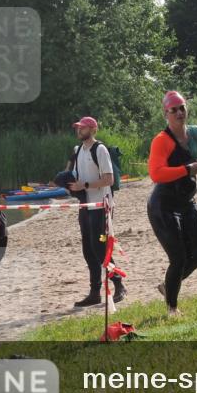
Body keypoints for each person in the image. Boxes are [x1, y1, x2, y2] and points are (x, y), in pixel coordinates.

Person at [147, 91, 197, 317]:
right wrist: (186, 169)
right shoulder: (161, 140)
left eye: (182, 108)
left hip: (187, 200)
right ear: (166, 114)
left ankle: (168, 286)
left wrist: (196, 162)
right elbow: (156, 174)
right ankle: (172, 307)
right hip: (163, 205)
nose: (179, 113)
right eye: (174, 110)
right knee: (178, 258)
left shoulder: (196, 133)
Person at [64, 116, 126, 307]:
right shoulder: (78, 150)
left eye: (82, 128)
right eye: (78, 127)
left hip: (102, 205)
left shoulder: (100, 149)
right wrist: (66, 181)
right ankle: (94, 293)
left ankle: (119, 284)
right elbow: (75, 175)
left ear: (92, 130)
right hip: (85, 205)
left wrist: (85, 185)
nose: (79, 130)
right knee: (88, 249)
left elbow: (109, 179)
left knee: (100, 248)